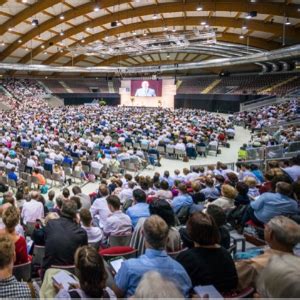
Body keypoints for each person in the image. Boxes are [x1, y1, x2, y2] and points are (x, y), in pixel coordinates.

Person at [114, 215, 192, 297]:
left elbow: (117, 294)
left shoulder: (128, 267)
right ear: (167, 239)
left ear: (142, 234)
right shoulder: (181, 271)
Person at [176, 212, 238, 293]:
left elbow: (180, 287)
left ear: (190, 232)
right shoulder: (225, 253)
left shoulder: (186, 257)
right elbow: (233, 283)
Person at [236, 216, 300, 290]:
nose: (264, 227)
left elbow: (232, 284)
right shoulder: (296, 263)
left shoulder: (253, 265)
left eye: (266, 227)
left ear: (270, 234)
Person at [43, 200, 88, 270]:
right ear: (75, 214)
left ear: (61, 210)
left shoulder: (50, 224)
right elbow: (84, 255)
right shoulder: (82, 232)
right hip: (73, 273)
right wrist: (78, 224)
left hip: (49, 270)